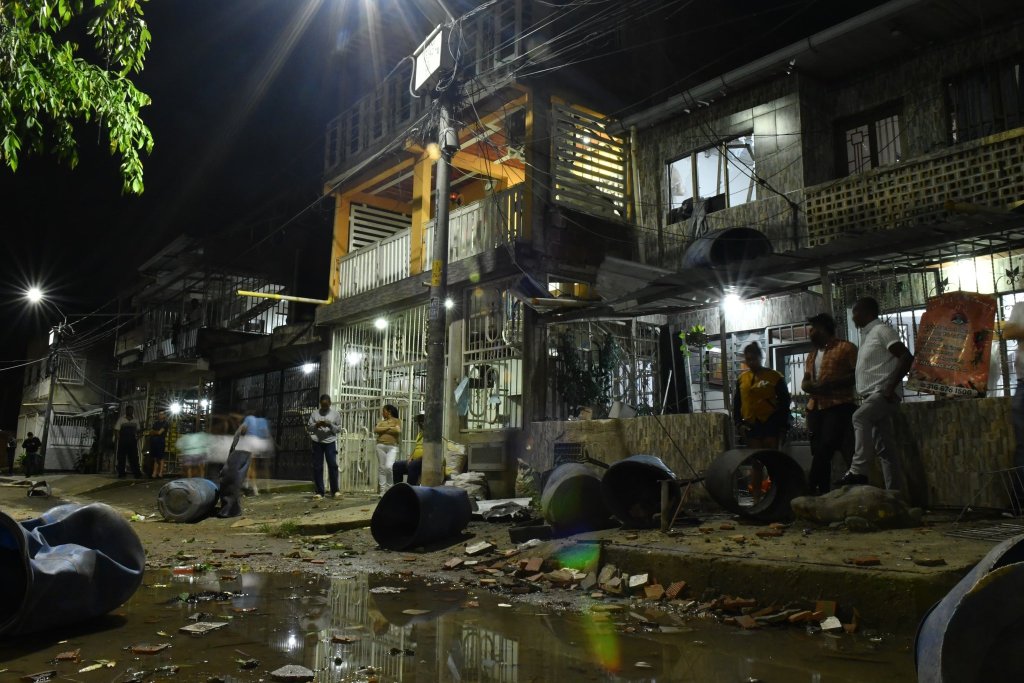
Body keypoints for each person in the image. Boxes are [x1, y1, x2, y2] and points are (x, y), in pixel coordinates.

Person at [835, 297, 914, 490]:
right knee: (885, 449)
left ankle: (858, 471)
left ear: (867, 313)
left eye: (855, 312)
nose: (853, 317)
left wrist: (889, 387)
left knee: (859, 417)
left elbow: (906, 357)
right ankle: (895, 494)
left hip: (883, 394)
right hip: (872, 395)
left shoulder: (882, 331)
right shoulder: (867, 335)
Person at [802, 313, 858, 495]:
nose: (810, 333)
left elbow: (857, 375)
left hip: (839, 405)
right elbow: (805, 382)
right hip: (815, 407)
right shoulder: (812, 355)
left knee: (826, 446)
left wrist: (831, 384)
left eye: (813, 329)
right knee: (819, 451)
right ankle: (823, 493)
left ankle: (810, 487)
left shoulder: (846, 348)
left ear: (823, 329)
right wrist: (808, 386)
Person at [733, 342, 790, 502]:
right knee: (756, 463)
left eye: (753, 359)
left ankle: (778, 496)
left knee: (773, 462)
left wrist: (783, 426)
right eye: (747, 359)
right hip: (751, 424)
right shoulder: (742, 379)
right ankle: (756, 498)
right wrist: (738, 424)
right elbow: (736, 404)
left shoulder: (775, 377)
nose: (750, 362)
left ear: (760, 357)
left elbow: (785, 403)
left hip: (771, 422)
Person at [1000, 302, 1024, 511]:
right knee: (1022, 445)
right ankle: (1019, 501)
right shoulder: (1020, 307)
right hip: (1023, 383)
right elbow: (1008, 331)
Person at [231, 408, 273, 495]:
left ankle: (254, 489)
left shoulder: (248, 419)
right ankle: (268, 487)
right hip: (263, 443)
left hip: (251, 442)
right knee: (265, 467)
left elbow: (242, 429)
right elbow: (266, 432)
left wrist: (236, 436)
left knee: (250, 466)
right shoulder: (263, 420)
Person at [306, 394, 341, 499]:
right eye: (323, 405)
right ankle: (319, 492)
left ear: (330, 403)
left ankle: (335, 491)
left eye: (326, 406)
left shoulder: (335, 414)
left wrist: (329, 425)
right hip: (317, 442)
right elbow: (309, 428)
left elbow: (338, 429)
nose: (324, 408)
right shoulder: (315, 413)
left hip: (330, 442)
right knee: (317, 466)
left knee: (332, 465)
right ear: (320, 404)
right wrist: (316, 425)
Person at [374, 404, 401, 495]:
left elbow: (397, 431)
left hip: (392, 447)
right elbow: (376, 429)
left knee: (389, 467)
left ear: (389, 412)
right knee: (382, 468)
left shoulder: (397, 421)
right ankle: (382, 491)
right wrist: (390, 428)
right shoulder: (381, 422)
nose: (382, 413)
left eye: (384, 411)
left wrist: (383, 429)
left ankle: (389, 489)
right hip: (380, 446)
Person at [393, 413, 424, 486]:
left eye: (423, 420)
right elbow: (416, 448)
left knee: (412, 465)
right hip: (416, 460)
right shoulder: (420, 434)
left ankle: (410, 490)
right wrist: (410, 458)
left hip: (425, 461)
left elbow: (430, 452)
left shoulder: (431, 434)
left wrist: (418, 459)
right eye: (420, 421)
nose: (421, 423)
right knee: (397, 465)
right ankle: (398, 490)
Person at [113, 405, 143, 479]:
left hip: (132, 441)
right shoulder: (121, 419)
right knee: (121, 457)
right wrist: (118, 438)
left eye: (131, 410)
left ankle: (137, 473)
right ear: (126, 411)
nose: (130, 411)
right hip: (123, 440)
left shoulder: (135, 420)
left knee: (134, 457)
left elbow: (139, 431)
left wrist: (138, 437)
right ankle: (121, 473)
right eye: (129, 410)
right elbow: (117, 430)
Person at [148, 410, 169, 479]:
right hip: (154, 442)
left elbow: (159, 432)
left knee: (161, 457)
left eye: (161, 414)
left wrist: (154, 432)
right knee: (155, 458)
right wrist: (155, 432)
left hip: (160, 442)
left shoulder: (165, 423)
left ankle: (160, 473)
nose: (160, 415)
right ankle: (154, 473)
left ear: (164, 416)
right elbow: (151, 432)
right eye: (159, 414)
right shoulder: (156, 423)